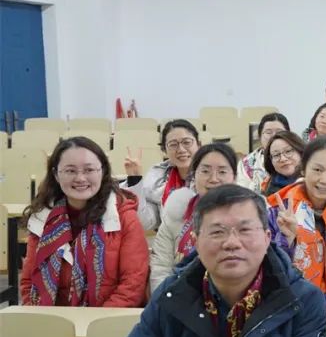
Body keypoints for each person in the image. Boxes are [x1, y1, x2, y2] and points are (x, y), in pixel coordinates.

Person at [98, 185, 326, 337]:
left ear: (266, 237)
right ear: (196, 241)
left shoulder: (302, 298)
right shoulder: (173, 295)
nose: (231, 243)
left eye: (245, 230)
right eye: (217, 232)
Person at [21, 137, 148, 307]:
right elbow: (28, 282)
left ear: (102, 171)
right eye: (70, 171)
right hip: (52, 318)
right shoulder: (42, 217)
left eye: (89, 170)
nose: (80, 178)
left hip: (108, 317)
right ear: (56, 175)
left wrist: (95, 321)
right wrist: (41, 318)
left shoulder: (124, 217)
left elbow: (133, 284)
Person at [267, 136, 326, 310]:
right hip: (289, 307)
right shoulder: (276, 213)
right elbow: (269, 271)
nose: (324, 180)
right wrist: (287, 239)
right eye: (317, 170)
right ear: (303, 169)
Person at [150, 143, 238, 291]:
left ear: (234, 177)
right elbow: (161, 268)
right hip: (180, 297)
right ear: (194, 175)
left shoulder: (249, 217)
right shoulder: (175, 214)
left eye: (222, 172)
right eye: (205, 171)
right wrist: (167, 301)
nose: (213, 179)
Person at [123, 118, 201, 231]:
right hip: (172, 240)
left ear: (199, 144)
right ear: (164, 150)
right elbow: (145, 223)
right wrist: (134, 180)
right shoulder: (158, 180)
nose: (181, 149)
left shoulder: (213, 175)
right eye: (173, 145)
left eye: (187, 142)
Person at [237, 113, 289, 193]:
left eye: (279, 132)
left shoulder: (297, 159)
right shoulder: (246, 164)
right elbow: (241, 193)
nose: (274, 136)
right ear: (259, 136)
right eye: (268, 132)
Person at [262, 131, 305, 197]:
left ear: (300, 152)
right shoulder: (266, 186)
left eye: (288, 151)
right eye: (276, 155)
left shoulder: (314, 182)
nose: (283, 159)